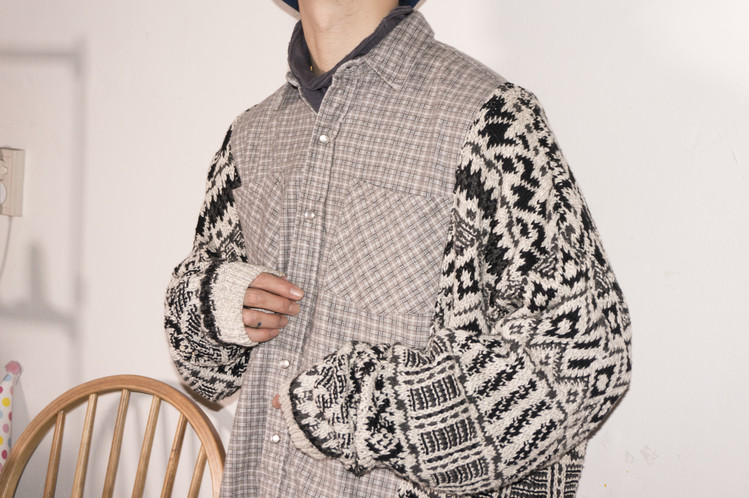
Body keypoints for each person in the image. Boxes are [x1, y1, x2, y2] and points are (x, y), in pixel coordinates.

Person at [164, 0, 632, 496]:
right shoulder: (252, 136)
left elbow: (584, 356)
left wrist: (374, 408)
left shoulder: (490, 119)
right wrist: (208, 305)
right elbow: (211, 377)